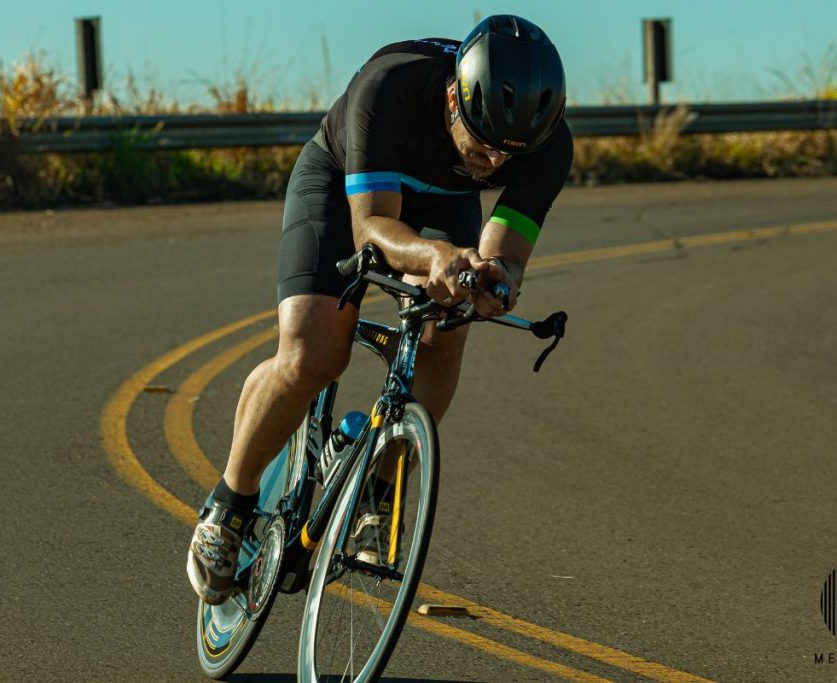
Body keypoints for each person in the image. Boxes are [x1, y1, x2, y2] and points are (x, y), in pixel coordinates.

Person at [187, 14, 573, 604]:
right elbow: (371, 228)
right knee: (313, 354)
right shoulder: (389, 84)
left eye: (507, 156)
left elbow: (507, 251)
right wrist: (436, 255)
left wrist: (497, 279)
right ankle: (229, 505)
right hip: (345, 183)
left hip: (445, 204)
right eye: (482, 144)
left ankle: (380, 487)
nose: (493, 164)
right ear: (453, 98)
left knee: (450, 331)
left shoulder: (548, 145)